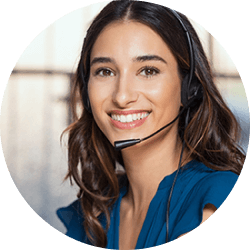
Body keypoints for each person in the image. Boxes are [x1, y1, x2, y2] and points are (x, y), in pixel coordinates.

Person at [57, 0, 245, 249]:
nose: (122, 96)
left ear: (189, 88)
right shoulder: (93, 213)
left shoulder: (212, 201)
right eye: (105, 71)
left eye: (148, 71)